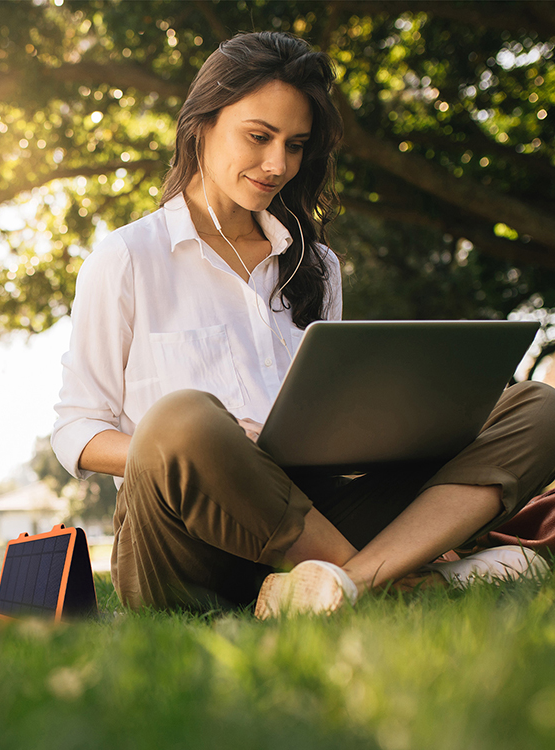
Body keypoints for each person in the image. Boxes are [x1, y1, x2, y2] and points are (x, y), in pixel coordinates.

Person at [52, 31, 555, 616]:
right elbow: (75, 431)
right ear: (202, 124)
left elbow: (330, 416)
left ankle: (346, 585)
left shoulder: (315, 267)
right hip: (187, 545)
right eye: (259, 137)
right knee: (183, 419)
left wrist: (382, 436)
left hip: (313, 516)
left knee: (538, 408)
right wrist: (186, 447)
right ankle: (398, 583)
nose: (277, 165)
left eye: (295, 145)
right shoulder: (128, 258)